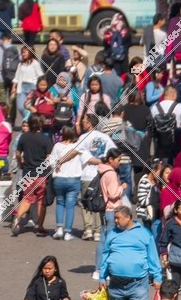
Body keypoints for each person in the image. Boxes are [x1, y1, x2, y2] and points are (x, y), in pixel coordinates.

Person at [99, 204, 162, 300]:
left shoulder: (144, 234)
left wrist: (157, 276)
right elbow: (106, 256)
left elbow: (153, 257)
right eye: (114, 218)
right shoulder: (112, 234)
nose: (115, 221)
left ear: (128, 217)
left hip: (138, 283)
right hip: (115, 283)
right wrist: (102, 276)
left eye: (118, 218)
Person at [76, 112, 116, 241]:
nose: (83, 123)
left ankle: (88, 229)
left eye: (84, 121)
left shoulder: (83, 137)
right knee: (100, 201)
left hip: (87, 174)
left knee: (86, 201)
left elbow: (79, 153)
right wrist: (105, 160)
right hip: (101, 174)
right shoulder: (105, 137)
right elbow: (114, 150)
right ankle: (98, 231)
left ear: (89, 124)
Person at [12, 114, 53, 236]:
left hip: (28, 173)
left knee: (27, 198)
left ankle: (18, 218)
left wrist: (21, 164)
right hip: (41, 174)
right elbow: (48, 158)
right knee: (41, 201)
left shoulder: (23, 137)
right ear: (41, 124)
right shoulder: (45, 139)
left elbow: (18, 154)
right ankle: (39, 226)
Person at [94, 147, 129, 275]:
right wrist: (122, 187)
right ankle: (106, 269)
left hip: (104, 209)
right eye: (118, 160)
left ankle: (98, 269)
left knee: (103, 239)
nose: (119, 162)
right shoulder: (112, 174)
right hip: (111, 209)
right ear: (111, 159)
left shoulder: (102, 170)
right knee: (111, 240)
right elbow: (113, 194)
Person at [48, 126, 83, 240]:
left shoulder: (57, 146)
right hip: (73, 178)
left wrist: (55, 167)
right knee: (70, 206)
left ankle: (59, 228)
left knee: (59, 203)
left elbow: (51, 161)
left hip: (59, 178)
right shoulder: (77, 147)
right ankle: (68, 232)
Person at [150, 86, 181, 161]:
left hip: (159, 141)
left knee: (160, 162)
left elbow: (150, 123)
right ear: (174, 94)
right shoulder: (179, 106)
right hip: (175, 142)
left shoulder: (154, 107)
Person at [0, 33, 18, 110]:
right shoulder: (15, 49)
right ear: (10, 40)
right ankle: (11, 119)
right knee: (12, 100)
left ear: (1, 40)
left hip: (0, 77)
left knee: (2, 101)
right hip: (13, 78)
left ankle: (3, 117)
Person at [10, 45, 39, 119]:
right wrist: (14, 87)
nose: (23, 54)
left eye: (25, 52)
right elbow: (17, 77)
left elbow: (39, 77)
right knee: (20, 107)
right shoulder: (21, 64)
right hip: (22, 87)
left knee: (29, 106)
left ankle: (27, 122)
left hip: (32, 87)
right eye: (22, 53)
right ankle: (28, 119)